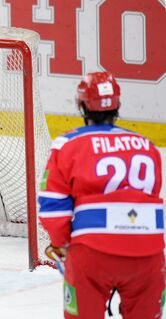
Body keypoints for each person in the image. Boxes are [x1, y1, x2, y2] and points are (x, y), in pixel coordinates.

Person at [37, 72, 164, 318]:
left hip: (92, 253)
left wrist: (61, 243)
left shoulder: (68, 144)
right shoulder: (146, 145)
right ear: (117, 105)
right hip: (148, 254)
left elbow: (53, 205)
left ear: (82, 105)